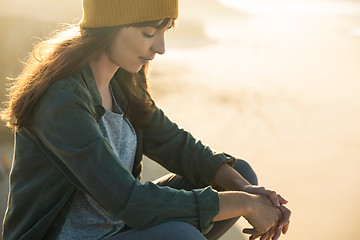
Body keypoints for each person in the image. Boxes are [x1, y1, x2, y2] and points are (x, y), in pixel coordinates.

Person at [1, 0, 291, 239]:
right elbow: (130, 200)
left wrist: (248, 193)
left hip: (119, 226)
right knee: (181, 236)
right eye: (150, 32)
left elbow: (177, 146)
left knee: (240, 174)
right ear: (109, 27)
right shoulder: (62, 98)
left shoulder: (124, 79)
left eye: (165, 32)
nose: (160, 48)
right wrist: (243, 204)